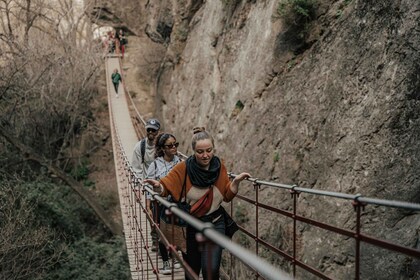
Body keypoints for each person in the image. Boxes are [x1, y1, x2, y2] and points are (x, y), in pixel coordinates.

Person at [145, 127, 251, 280]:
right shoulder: (183, 168)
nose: (205, 155)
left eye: (209, 150)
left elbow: (226, 196)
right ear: (193, 151)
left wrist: (235, 183)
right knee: (192, 273)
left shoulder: (219, 166)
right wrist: (158, 186)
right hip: (190, 226)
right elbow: (166, 186)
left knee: (211, 271)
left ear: (213, 149)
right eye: (200, 152)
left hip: (215, 223)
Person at [146, 133, 182, 275]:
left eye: (175, 144)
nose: (173, 147)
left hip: (175, 203)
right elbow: (149, 188)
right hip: (159, 204)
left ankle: (176, 258)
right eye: (169, 145)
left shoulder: (180, 162)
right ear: (162, 148)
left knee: (176, 230)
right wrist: (148, 206)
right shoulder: (155, 165)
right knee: (162, 233)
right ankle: (166, 262)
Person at [131, 118, 161, 250]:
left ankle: (166, 241)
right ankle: (155, 240)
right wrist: (137, 188)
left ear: (158, 131)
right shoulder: (140, 147)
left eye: (153, 130)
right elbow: (136, 169)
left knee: (165, 212)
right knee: (151, 212)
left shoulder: (162, 145)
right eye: (149, 129)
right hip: (149, 183)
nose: (151, 132)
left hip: (163, 182)